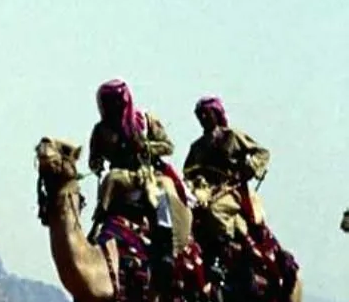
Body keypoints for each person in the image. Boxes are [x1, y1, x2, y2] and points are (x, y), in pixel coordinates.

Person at [87, 79, 176, 264]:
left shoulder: (143, 121)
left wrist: (146, 147)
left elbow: (168, 147)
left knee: (160, 191)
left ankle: (165, 245)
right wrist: (96, 164)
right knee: (110, 181)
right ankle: (98, 227)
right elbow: (94, 159)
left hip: (145, 174)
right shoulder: (101, 130)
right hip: (120, 177)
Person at [183, 95, 271, 247]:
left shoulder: (232, 136)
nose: (203, 118)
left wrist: (250, 167)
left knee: (215, 211)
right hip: (203, 190)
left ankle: (222, 248)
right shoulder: (197, 147)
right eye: (200, 115)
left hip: (231, 189)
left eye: (206, 113)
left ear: (216, 114)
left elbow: (262, 153)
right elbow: (188, 172)